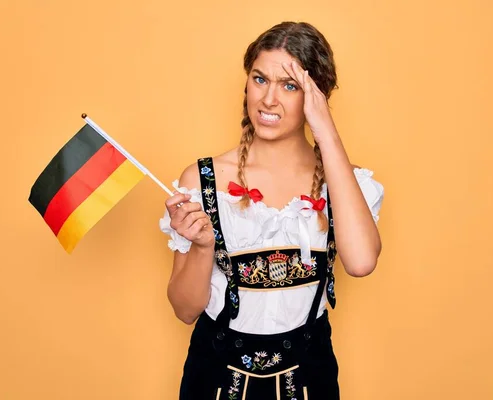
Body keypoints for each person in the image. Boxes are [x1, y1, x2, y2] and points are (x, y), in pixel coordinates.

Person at [159, 21, 384, 400]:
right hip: (215, 380)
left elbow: (360, 263)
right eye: (260, 79)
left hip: (309, 381)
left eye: (290, 86)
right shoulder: (204, 179)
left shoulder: (344, 184)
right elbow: (184, 310)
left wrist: (325, 129)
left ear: (316, 96)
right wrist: (202, 247)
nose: (268, 100)